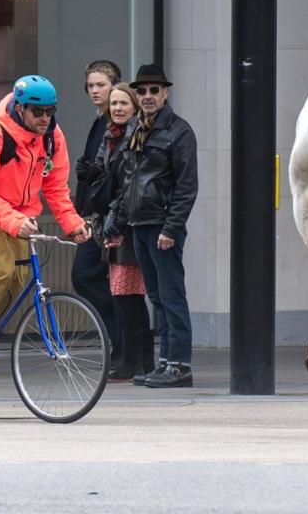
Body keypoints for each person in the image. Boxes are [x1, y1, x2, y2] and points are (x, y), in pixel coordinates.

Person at [0, 75, 92, 388]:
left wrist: (73, 224)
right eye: (37, 111)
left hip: (19, 213)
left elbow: (56, 187)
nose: (44, 118)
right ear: (19, 107)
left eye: (50, 111)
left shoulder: (53, 137)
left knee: (18, 280)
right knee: (1, 269)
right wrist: (14, 222)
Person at [105, 64, 198, 388]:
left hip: (161, 225)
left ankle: (179, 365)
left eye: (153, 90)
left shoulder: (179, 131)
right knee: (158, 297)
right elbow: (127, 182)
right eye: (142, 91)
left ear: (165, 93)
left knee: (172, 296)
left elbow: (186, 187)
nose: (147, 96)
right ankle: (165, 363)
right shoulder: (135, 129)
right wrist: (116, 223)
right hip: (138, 223)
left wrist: (171, 230)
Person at [87, 83, 156, 382]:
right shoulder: (110, 136)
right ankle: (138, 359)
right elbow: (107, 178)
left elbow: (129, 186)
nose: (117, 108)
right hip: (114, 221)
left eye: (123, 103)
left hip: (126, 224)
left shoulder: (133, 137)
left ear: (134, 107)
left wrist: (114, 223)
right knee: (124, 293)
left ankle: (136, 360)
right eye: (113, 104)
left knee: (129, 294)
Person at [72, 60, 122, 370]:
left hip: (109, 215)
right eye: (91, 85)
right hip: (95, 214)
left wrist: (94, 173)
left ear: (115, 85)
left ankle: (122, 342)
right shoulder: (99, 122)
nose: (94, 91)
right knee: (88, 277)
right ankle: (118, 340)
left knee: (94, 277)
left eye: (100, 85)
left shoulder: (116, 122)